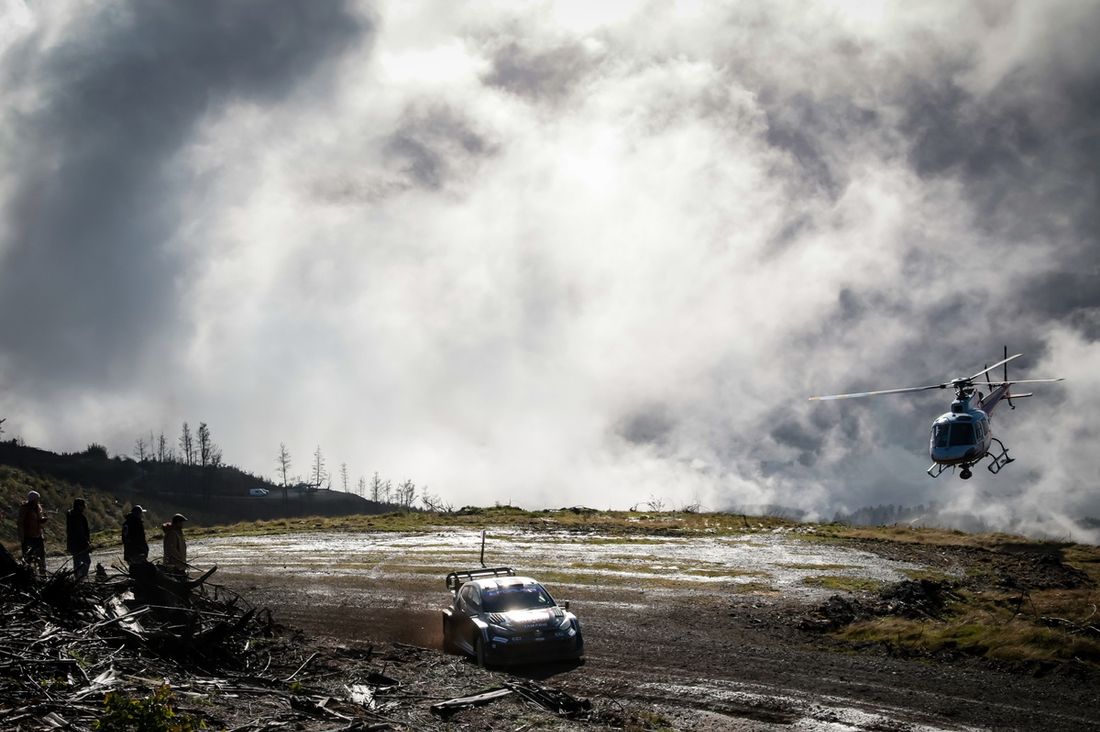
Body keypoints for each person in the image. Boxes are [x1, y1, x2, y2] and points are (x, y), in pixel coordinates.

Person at [18, 490, 48, 575]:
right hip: (28, 537)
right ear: (32, 499)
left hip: (38, 536)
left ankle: (43, 574)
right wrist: (22, 536)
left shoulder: (38, 507)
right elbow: (20, 522)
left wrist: (42, 520)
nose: (38, 500)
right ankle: (28, 574)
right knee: (28, 558)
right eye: (37, 499)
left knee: (41, 557)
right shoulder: (24, 508)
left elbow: (38, 519)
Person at [66, 498, 91, 581]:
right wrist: (86, 543)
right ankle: (81, 579)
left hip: (72, 543)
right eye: (83, 506)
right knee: (87, 561)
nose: (84, 508)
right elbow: (80, 532)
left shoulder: (70, 515)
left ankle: (77, 579)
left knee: (76, 562)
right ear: (80, 506)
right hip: (80, 544)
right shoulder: (78, 517)